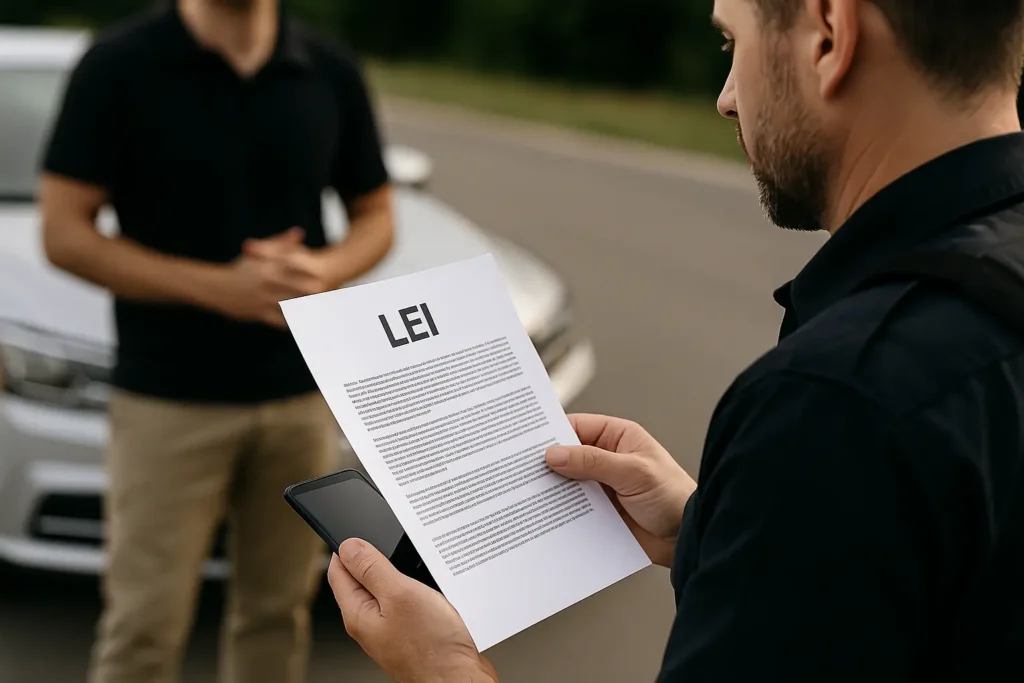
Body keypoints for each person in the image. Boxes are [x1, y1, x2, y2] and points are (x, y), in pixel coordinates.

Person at [321, 0, 1024, 680]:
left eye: (732, 43)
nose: (725, 98)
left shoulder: (837, 402)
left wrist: (444, 669)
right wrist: (708, 527)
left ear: (829, 34)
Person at [38, 0, 394, 681]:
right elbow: (64, 233)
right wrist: (219, 288)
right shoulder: (117, 66)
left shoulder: (330, 70)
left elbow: (376, 213)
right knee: (144, 625)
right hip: (167, 401)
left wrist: (325, 270)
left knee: (278, 613)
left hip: (299, 398)